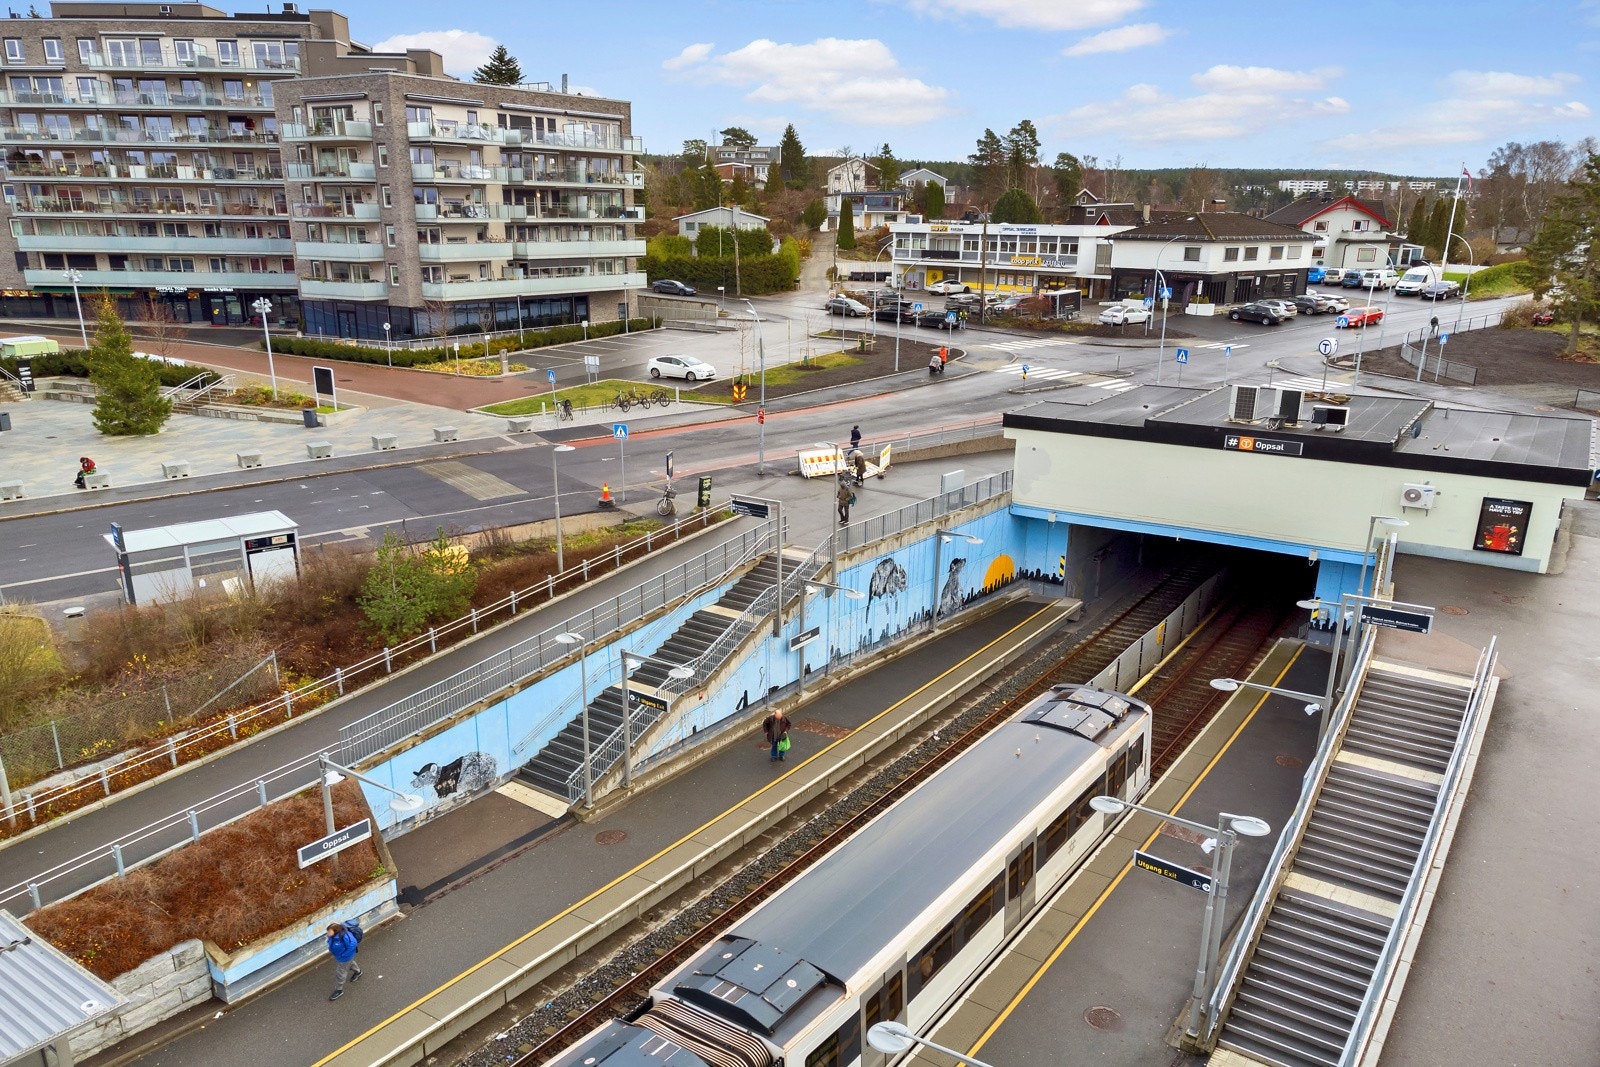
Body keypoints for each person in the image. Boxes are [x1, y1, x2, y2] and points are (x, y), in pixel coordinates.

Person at [325, 921, 363, 1001]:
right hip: (341, 957)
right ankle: (358, 972)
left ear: (335, 931)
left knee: (340, 973)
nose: (328, 933)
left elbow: (353, 944)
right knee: (350, 963)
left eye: (329, 931)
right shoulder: (333, 936)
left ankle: (339, 990)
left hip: (344, 958)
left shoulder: (345, 936)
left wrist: (344, 955)